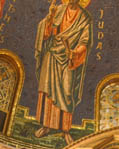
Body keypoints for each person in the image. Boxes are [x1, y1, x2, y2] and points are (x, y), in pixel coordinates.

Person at [33, 0, 92, 140]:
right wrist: (50, 17)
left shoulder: (84, 18)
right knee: (48, 89)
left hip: (69, 59)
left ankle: (65, 130)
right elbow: (46, 32)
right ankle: (46, 125)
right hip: (52, 54)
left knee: (67, 92)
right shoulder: (58, 10)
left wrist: (76, 52)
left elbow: (85, 42)